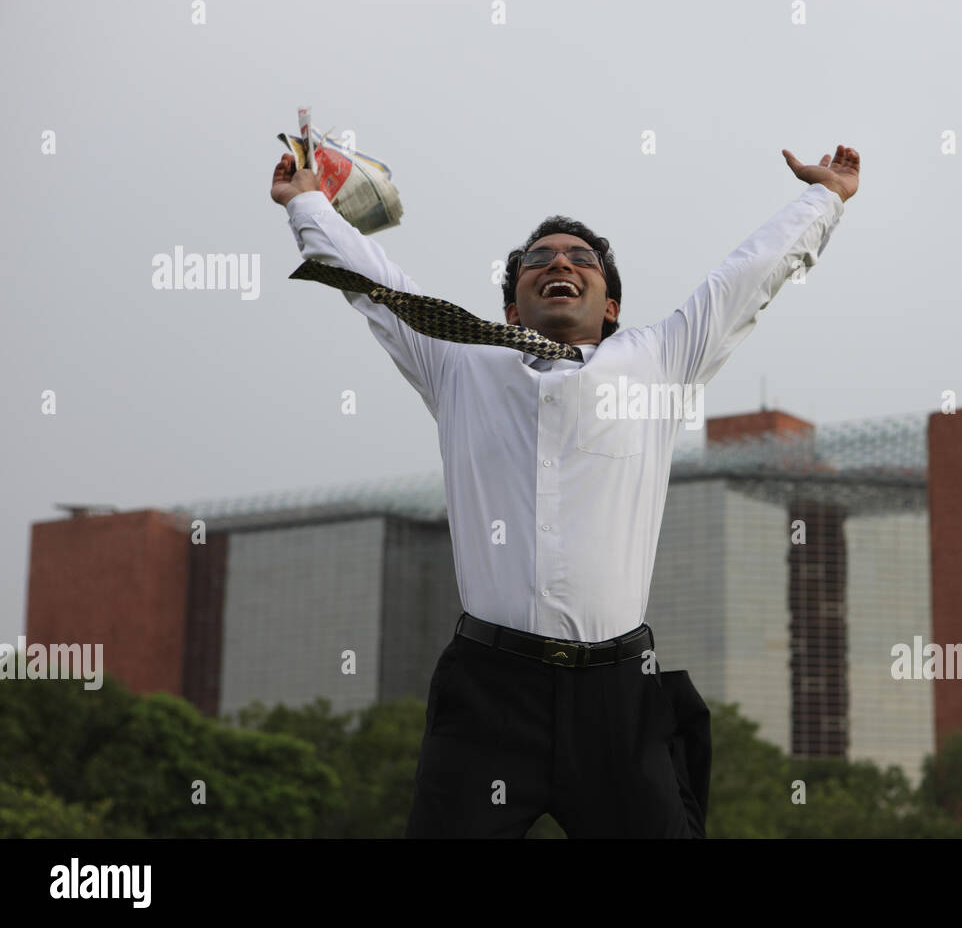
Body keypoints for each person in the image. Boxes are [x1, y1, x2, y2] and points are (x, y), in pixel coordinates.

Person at [269, 144, 858, 838]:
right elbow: (372, 282)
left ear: (610, 304)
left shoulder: (658, 362)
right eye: (538, 259)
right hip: (488, 697)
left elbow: (748, 277)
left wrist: (826, 198)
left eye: (581, 259)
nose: (558, 263)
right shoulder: (460, 362)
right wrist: (305, 200)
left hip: (618, 700)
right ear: (511, 303)